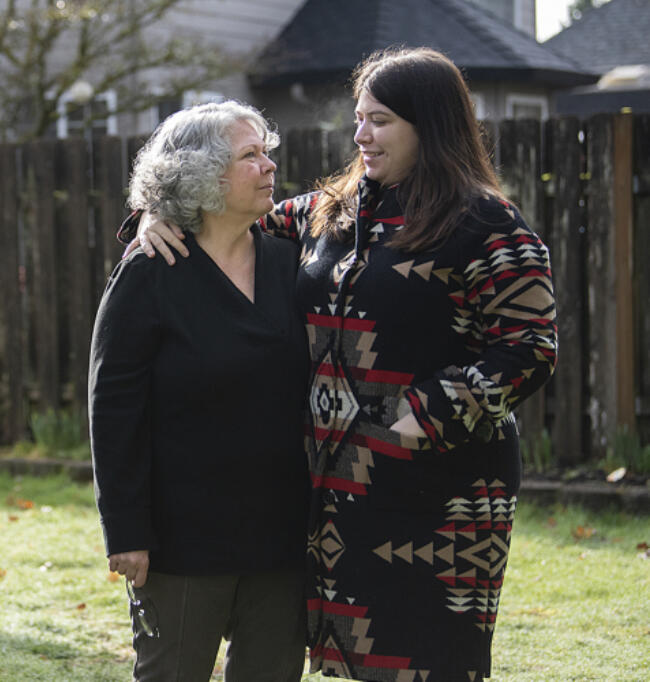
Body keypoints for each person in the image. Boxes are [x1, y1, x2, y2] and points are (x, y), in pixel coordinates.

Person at [129, 47, 557, 681]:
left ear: (430, 123)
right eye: (358, 118)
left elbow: (528, 345)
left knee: (429, 661)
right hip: (340, 493)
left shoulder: (486, 223)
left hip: (441, 492)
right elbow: (225, 217)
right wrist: (155, 215)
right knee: (362, 657)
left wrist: (428, 415)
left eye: (379, 120)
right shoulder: (329, 211)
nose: (361, 135)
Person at [90, 101, 311, 682]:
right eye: (249, 155)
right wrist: (127, 531)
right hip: (182, 538)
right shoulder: (151, 271)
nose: (269, 166)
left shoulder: (292, 261)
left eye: (267, 152)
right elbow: (113, 408)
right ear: (203, 176)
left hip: (282, 534)